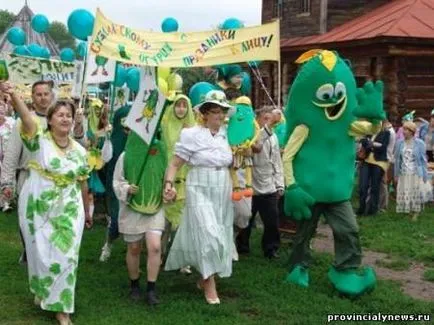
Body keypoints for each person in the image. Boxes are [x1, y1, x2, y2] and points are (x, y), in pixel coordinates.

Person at [0, 81, 91, 325]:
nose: (64, 118)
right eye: (59, 115)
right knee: (40, 253)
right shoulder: (39, 141)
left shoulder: (80, 152)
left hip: (70, 210)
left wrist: (88, 209)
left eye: (68, 115)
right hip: (38, 207)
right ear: (49, 120)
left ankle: (63, 309)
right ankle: (43, 291)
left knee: (68, 256)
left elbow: (83, 183)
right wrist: (13, 96)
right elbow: (28, 121)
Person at [164, 90, 234, 305]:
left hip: (221, 188)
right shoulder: (191, 134)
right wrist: (169, 184)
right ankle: (209, 283)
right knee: (208, 233)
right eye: (215, 112)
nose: (219, 117)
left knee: (220, 236)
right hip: (199, 187)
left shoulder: (226, 134)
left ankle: (205, 275)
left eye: (222, 112)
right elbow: (175, 163)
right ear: (204, 114)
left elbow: (229, 162)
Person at [236, 106, 284, 258]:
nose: (268, 122)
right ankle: (242, 246)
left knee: (272, 220)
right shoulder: (250, 136)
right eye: (265, 119)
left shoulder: (274, 137)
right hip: (250, 184)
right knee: (245, 218)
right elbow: (255, 146)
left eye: (270, 119)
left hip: (268, 185)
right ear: (257, 120)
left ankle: (271, 249)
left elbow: (277, 161)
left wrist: (279, 183)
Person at [160, 94, 195, 272]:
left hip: (186, 181)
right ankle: (159, 253)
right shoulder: (165, 125)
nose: (181, 109)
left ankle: (183, 260)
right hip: (167, 178)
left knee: (182, 224)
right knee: (164, 222)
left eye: (184, 106)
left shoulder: (193, 129)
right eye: (178, 105)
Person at [99, 105, 131, 262]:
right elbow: (103, 162)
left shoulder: (138, 142)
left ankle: (133, 255)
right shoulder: (111, 140)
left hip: (134, 187)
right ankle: (108, 244)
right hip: (116, 187)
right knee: (116, 221)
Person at [394, 121, 429, 221]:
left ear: (412, 131)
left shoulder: (420, 143)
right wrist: (396, 174)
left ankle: (416, 213)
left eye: (406, 129)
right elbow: (397, 159)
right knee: (406, 192)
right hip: (403, 172)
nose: (403, 131)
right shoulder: (399, 143)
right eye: (403, 129)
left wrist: (424, 175)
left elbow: (423, 160)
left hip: (415, 172)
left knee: (415, 193)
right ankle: (408, 210)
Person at [357, 121, 390, 216]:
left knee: (375, 187)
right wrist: (371, 144)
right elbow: (363, 142)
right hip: (366, 160)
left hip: (379, 162)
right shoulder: (369, 131)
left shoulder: (386, 132)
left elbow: (383, 147)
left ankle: (373, 210)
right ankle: (361, 209)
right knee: (363, 186)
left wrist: (371, 144)